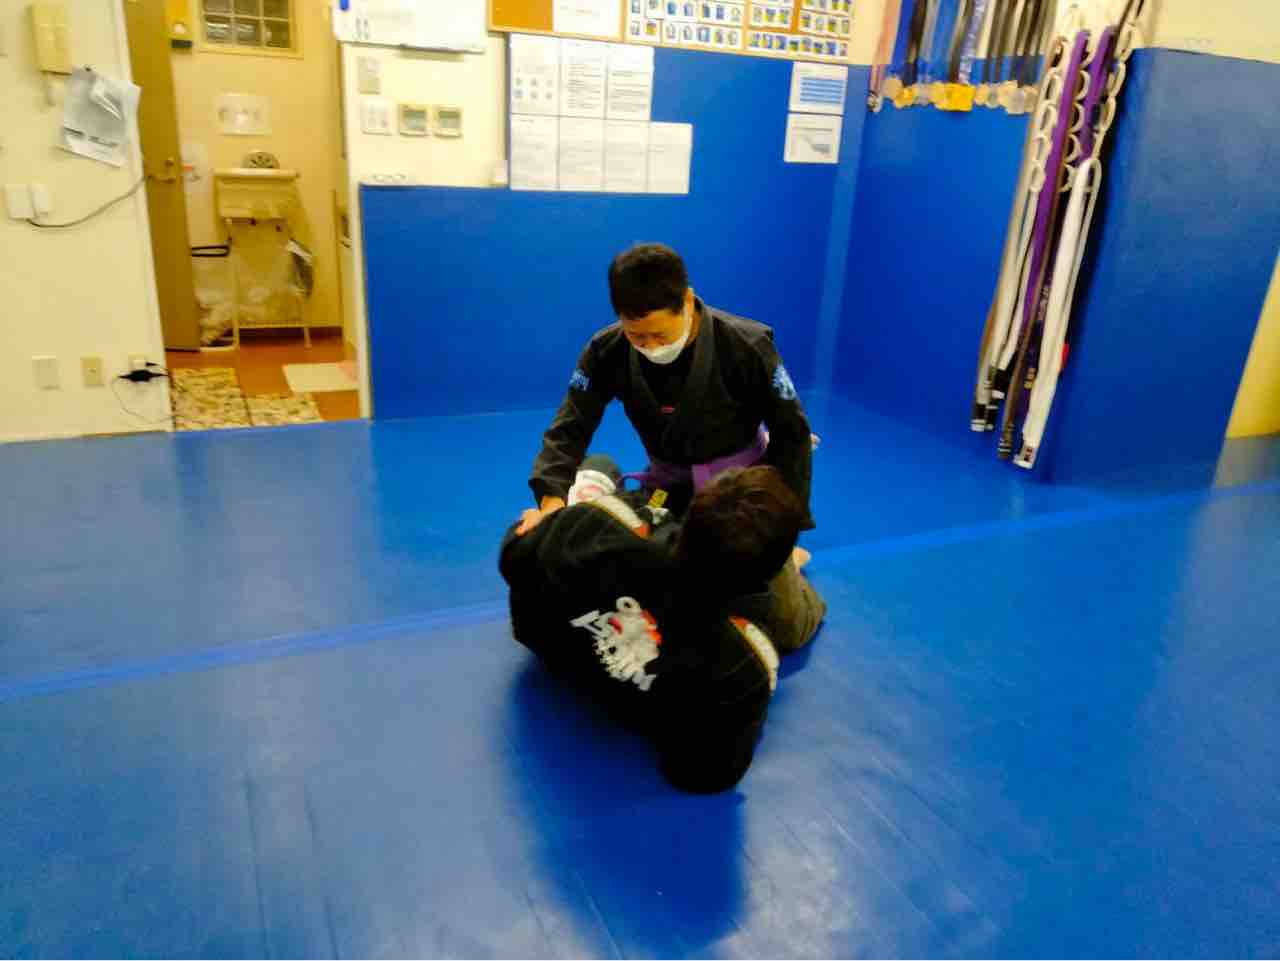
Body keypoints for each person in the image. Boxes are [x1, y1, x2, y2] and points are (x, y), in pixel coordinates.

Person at [499, 460, 826, 793]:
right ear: (766, 579)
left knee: (600, 465)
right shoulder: (746, 662)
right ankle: (790, 563)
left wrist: (541, 524)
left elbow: (513, 558)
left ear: (688, 517)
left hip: (551, 644)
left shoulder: (597, 526)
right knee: (793, 616)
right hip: (647, 696)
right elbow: (705, 775)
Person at [518, 243, 816, 537]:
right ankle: (603, 484)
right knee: (624, 540)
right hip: (666, 487)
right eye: (636, 336)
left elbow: (792, 433)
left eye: (660, 335)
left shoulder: (746, 345)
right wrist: (551, 503)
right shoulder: (606, 350)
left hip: (740, 489)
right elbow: (571, 426)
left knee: (728, 555)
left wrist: (784, 524)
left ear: (687, 300)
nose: (650, 346)